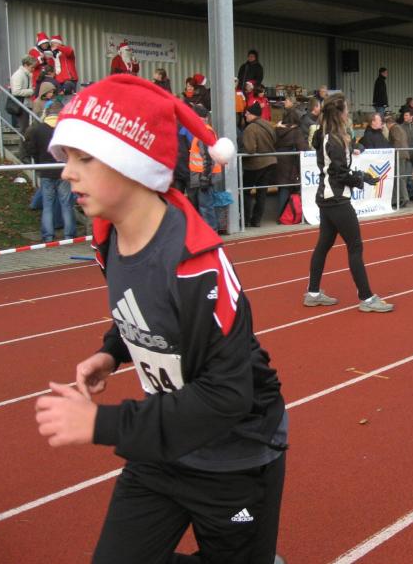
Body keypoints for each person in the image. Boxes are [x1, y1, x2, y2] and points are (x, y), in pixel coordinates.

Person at [35, 74, 286, 563]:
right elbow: (142, 306)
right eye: (67, 157)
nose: (66, 173)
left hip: (235, 453)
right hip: (163, 445)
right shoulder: (108, 236)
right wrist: (113, 351)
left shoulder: (197, 265)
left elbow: (228, 395)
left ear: (132, 162)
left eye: (84, 158)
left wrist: (102, 423)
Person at [303, 94, 393, 313]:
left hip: (327, 198)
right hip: (336, 200)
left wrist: (360, 176)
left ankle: (313, 293)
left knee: (323, 245)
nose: (348, 113)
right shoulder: (334, 139)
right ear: (340, 113)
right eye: (347, 109)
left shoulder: (326, 135)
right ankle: (367, 298)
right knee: (355, 247)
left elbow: (338, 170)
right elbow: (340, 174)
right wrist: (360, 179)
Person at [20, 101, 77, 243]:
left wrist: (38, 160)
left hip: (46, 171)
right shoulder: (66, 129)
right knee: (66, 205)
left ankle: (48, 236)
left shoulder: (37, 129)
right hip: (63, 170)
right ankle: (69, 235)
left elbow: (31, 148)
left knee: (48, 206)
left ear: (47, 113)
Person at [176, 104, 223, 231]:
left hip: (203, 175)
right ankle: (210, 231)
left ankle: (211, 233)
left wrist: (204, 178)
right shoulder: (203, 131)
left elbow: (208, 158)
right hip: (201, 175)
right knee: (205, 206)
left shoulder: (204, 132)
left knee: (205, 207)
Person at [241, 103, 277, 227]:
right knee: (262, 193)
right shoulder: (269, 125)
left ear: (252, 114)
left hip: (255, 164)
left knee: (245, 191)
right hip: (270, 162)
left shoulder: (251, 128)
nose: (245, 115)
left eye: (247, 113)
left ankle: (245, 219)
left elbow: (250, 149)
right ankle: (256, 220)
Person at [274, 108, 309, 221]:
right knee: (289, 188)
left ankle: (281, 215)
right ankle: (285, 216)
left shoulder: (277, 130)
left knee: (282, 188)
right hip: (291, 162)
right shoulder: (296, 131)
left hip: (278, 161)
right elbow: (303, 148)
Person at [386, 114, 410, 207]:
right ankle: (400, 198)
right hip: (404, 154)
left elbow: (397, 141)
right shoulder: (400, 128)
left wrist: (392, 151)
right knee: (401, 177)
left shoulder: (394, 129)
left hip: (398, 155)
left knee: (398, 177)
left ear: (388, 124)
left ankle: (403, 198)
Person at [9, 56, 36, 132]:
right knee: (24, 128)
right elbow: (15, 91)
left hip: (25, 103)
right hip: (20, 105)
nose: (33, 69)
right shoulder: (19, 75)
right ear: (25, 65)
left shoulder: (27, 74)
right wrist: (31, 91)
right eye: (32, 67)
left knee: (26, 128)